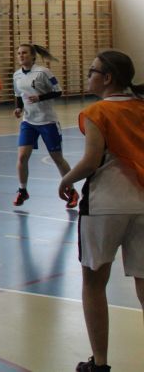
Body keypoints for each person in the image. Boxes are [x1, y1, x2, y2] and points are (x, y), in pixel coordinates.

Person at [59, 50, 144, 372]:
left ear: (107, 78)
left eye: (92, 71)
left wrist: (66, 180)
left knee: (94, 283)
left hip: (105, 205)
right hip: (142, 203)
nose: (88, 76)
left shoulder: (97, 111)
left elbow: (91, 161)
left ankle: (100, 363)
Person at [12, 43, 78, 209]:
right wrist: (19, 108)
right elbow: (19, 95)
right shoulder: (16, 75)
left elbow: (58, 91)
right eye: (19, 53)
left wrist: (40, 98)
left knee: (57, 158)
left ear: (33, 56)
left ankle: (72, 191)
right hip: (28, 122)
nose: (21, 56)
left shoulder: (43, 72)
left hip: (47, 121)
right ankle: (22, 190)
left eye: (24, 53)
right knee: (22, 157)